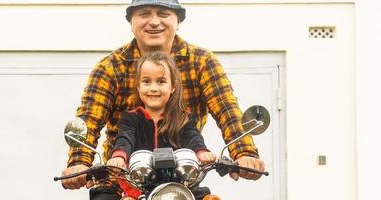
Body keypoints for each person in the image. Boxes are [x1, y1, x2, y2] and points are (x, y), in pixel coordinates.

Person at [61, 0, 265, 198]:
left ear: (178, 21)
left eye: (163, 14)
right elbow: (89, 118)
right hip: (121, 178)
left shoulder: (202, 62)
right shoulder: (110, 67)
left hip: (182, 179)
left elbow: (226, 109)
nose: (154, 21)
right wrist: (79, 163)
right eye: (144, 14)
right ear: (131, 22)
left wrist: (244, 154)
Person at [106, 51, 217, 199]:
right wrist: (119, 156)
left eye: (161, 81)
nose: (153, 88)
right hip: (139, 185)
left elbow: (193, 136)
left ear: (172, 87)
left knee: (207, 197)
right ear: (138, 87)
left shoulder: (183, 118)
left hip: (179, 185)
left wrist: (202, 152)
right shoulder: (130, 119)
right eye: (146, 81)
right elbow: (124, 138)